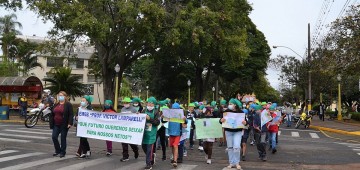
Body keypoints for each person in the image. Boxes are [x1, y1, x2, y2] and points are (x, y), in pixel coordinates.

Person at [219, 98, 247, 170]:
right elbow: (221, 120)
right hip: (228, 131)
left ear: (235, 105)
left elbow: (246, 122)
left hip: (237, 131)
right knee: (230, 147)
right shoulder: (226, 111)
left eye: (231, 104)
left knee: (237, 147)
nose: (229, 105)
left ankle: (237, 163)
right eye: (229, 104)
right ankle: (231, 163)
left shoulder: (240, 112)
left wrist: (245, 122)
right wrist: (221, 120)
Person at [50, 91, 73, 158]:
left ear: (65, 97)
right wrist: (51, 122)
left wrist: (69, 123)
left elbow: (71, 114)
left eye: (62, 95)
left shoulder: (68, 104)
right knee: (54, 137)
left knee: (63, 138)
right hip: (56, 124)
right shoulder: (56, 104)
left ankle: (63, 152)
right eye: (59, 95)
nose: (61, 97)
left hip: (64, 124)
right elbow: (52, 113)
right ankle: (57, 150)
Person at [142, 97, 160, 170]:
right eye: (148, 102)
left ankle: (148, 164)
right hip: (144, 133)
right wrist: (138, 115)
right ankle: (151, 156)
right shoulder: (143, 110)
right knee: (144, 147)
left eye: (151, 103)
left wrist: (150, 119)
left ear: (154, 104)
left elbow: (157, 122)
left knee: (149, 149)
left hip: (151, 134)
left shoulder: (156, 112)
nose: (149, 104)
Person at [167, 102, 187, 168]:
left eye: (176, 109)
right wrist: (162, 117)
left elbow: (185, 121)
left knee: (175, 145)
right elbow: (164, 120)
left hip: (178, 133)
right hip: (171, 132)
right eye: (173, 109)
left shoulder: (181, 114)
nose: (175, 110)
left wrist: (185, 119)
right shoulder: (169, 114)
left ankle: (175, 160)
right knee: (172, 146)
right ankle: (174, 158)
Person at [120, 97, 139, 161]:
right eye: (124, 102)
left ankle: (136, 150)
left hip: (131, 128)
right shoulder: (122, 109)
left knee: (131, 143)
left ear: (129, 103)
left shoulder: (133, 109)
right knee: (124, 143)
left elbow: (138, 117)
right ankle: (125, 156)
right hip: (124, 128)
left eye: (126, 102)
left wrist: (137, 114)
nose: (125, 104)